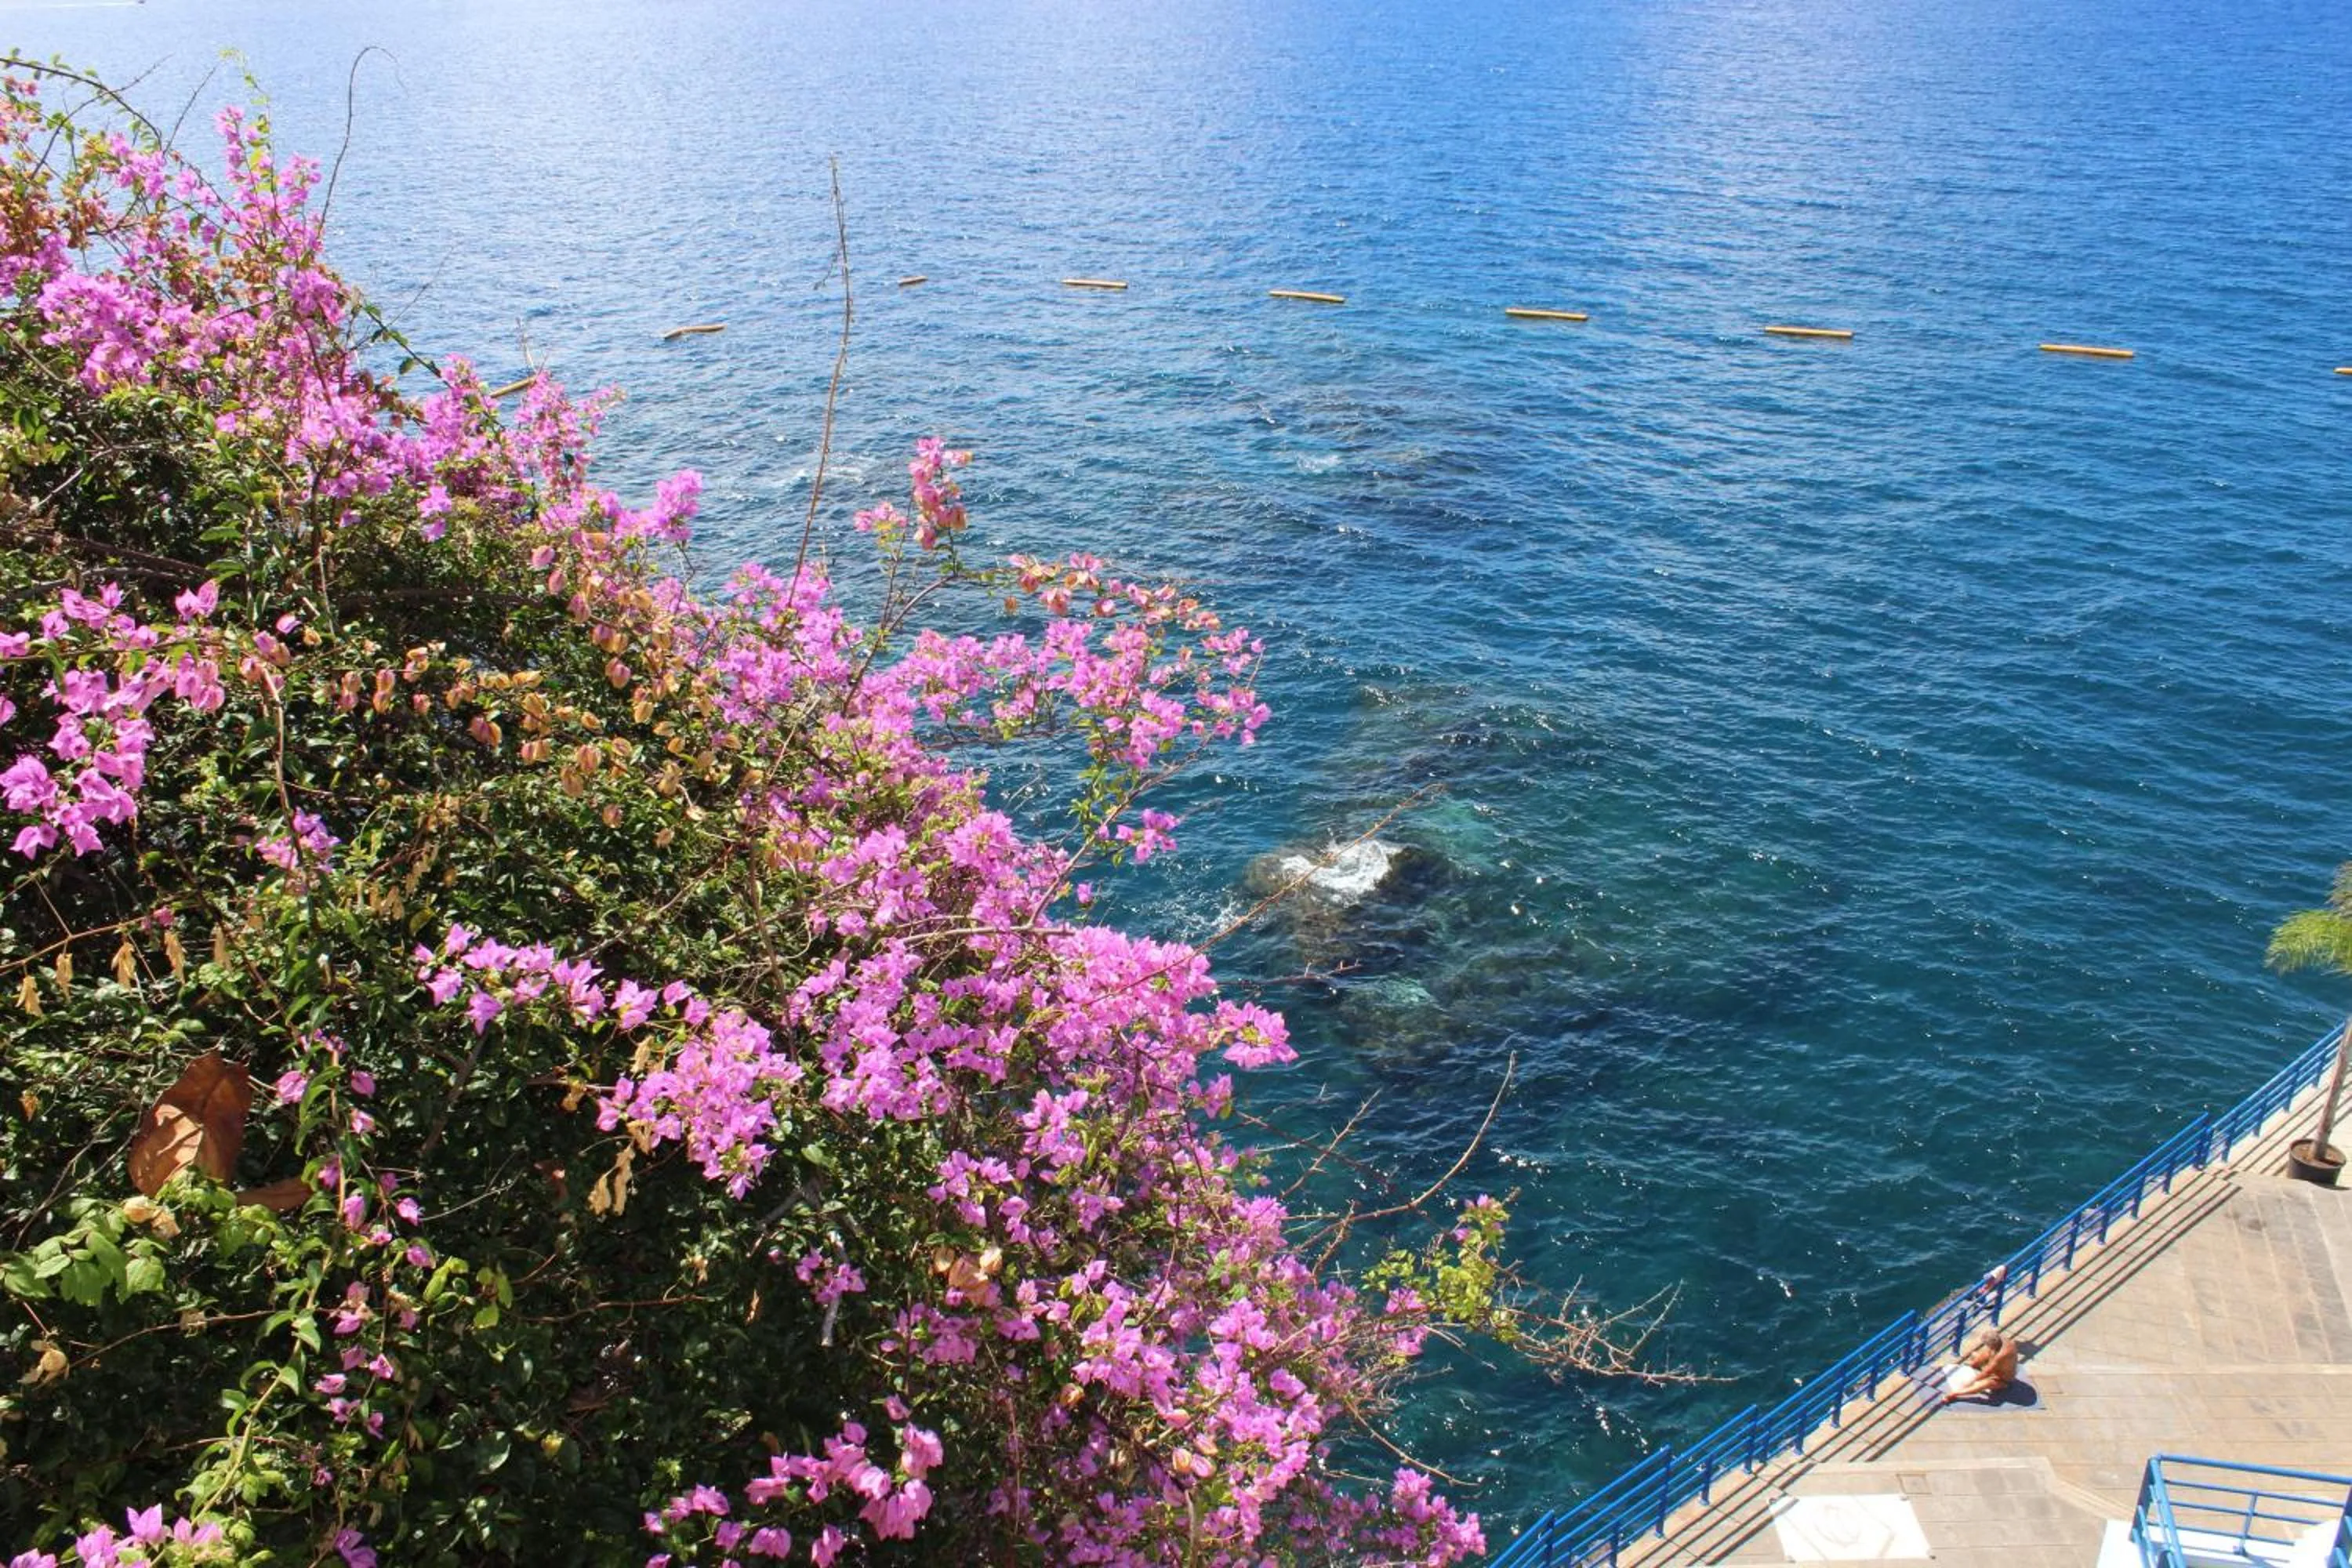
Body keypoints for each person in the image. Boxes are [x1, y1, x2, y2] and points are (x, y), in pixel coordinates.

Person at [1940, 1327, 2019, 1403]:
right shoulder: (2000, 1340)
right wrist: (1975, 1364)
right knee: (1977, 1355)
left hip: (2002, 1379)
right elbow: (1988, 1355)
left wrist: (1969, 1383)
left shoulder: (2002, 1355)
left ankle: (1955, 1394)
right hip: (1995, 1368)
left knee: (1981, 1384)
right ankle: (1975, 1365)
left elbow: (1987, 1373)